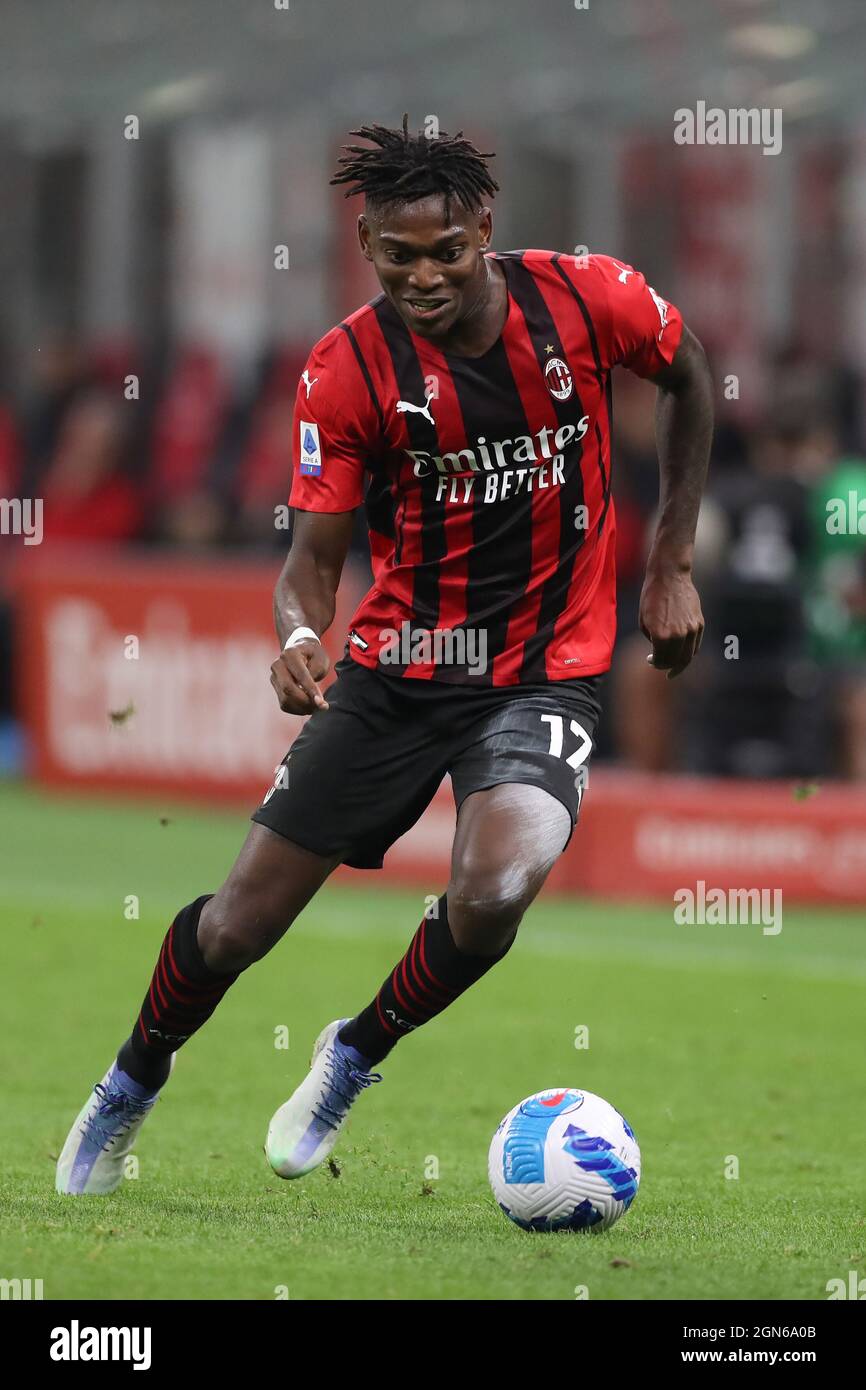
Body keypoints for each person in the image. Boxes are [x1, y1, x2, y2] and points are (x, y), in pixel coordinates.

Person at [56, 118, 713, 1196]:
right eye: (396, 255)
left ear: (483, 232)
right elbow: (310, 561)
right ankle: (129, 1083)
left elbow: (689, 373)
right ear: (365, 244)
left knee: (497, 885)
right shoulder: (345, 368)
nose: (423, 276)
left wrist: (669, 560)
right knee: (235, 926)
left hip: (547, 663)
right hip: (401, 668)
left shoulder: (585, 296)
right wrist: (302, 637)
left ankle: (353, 1051)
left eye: (444, 251)